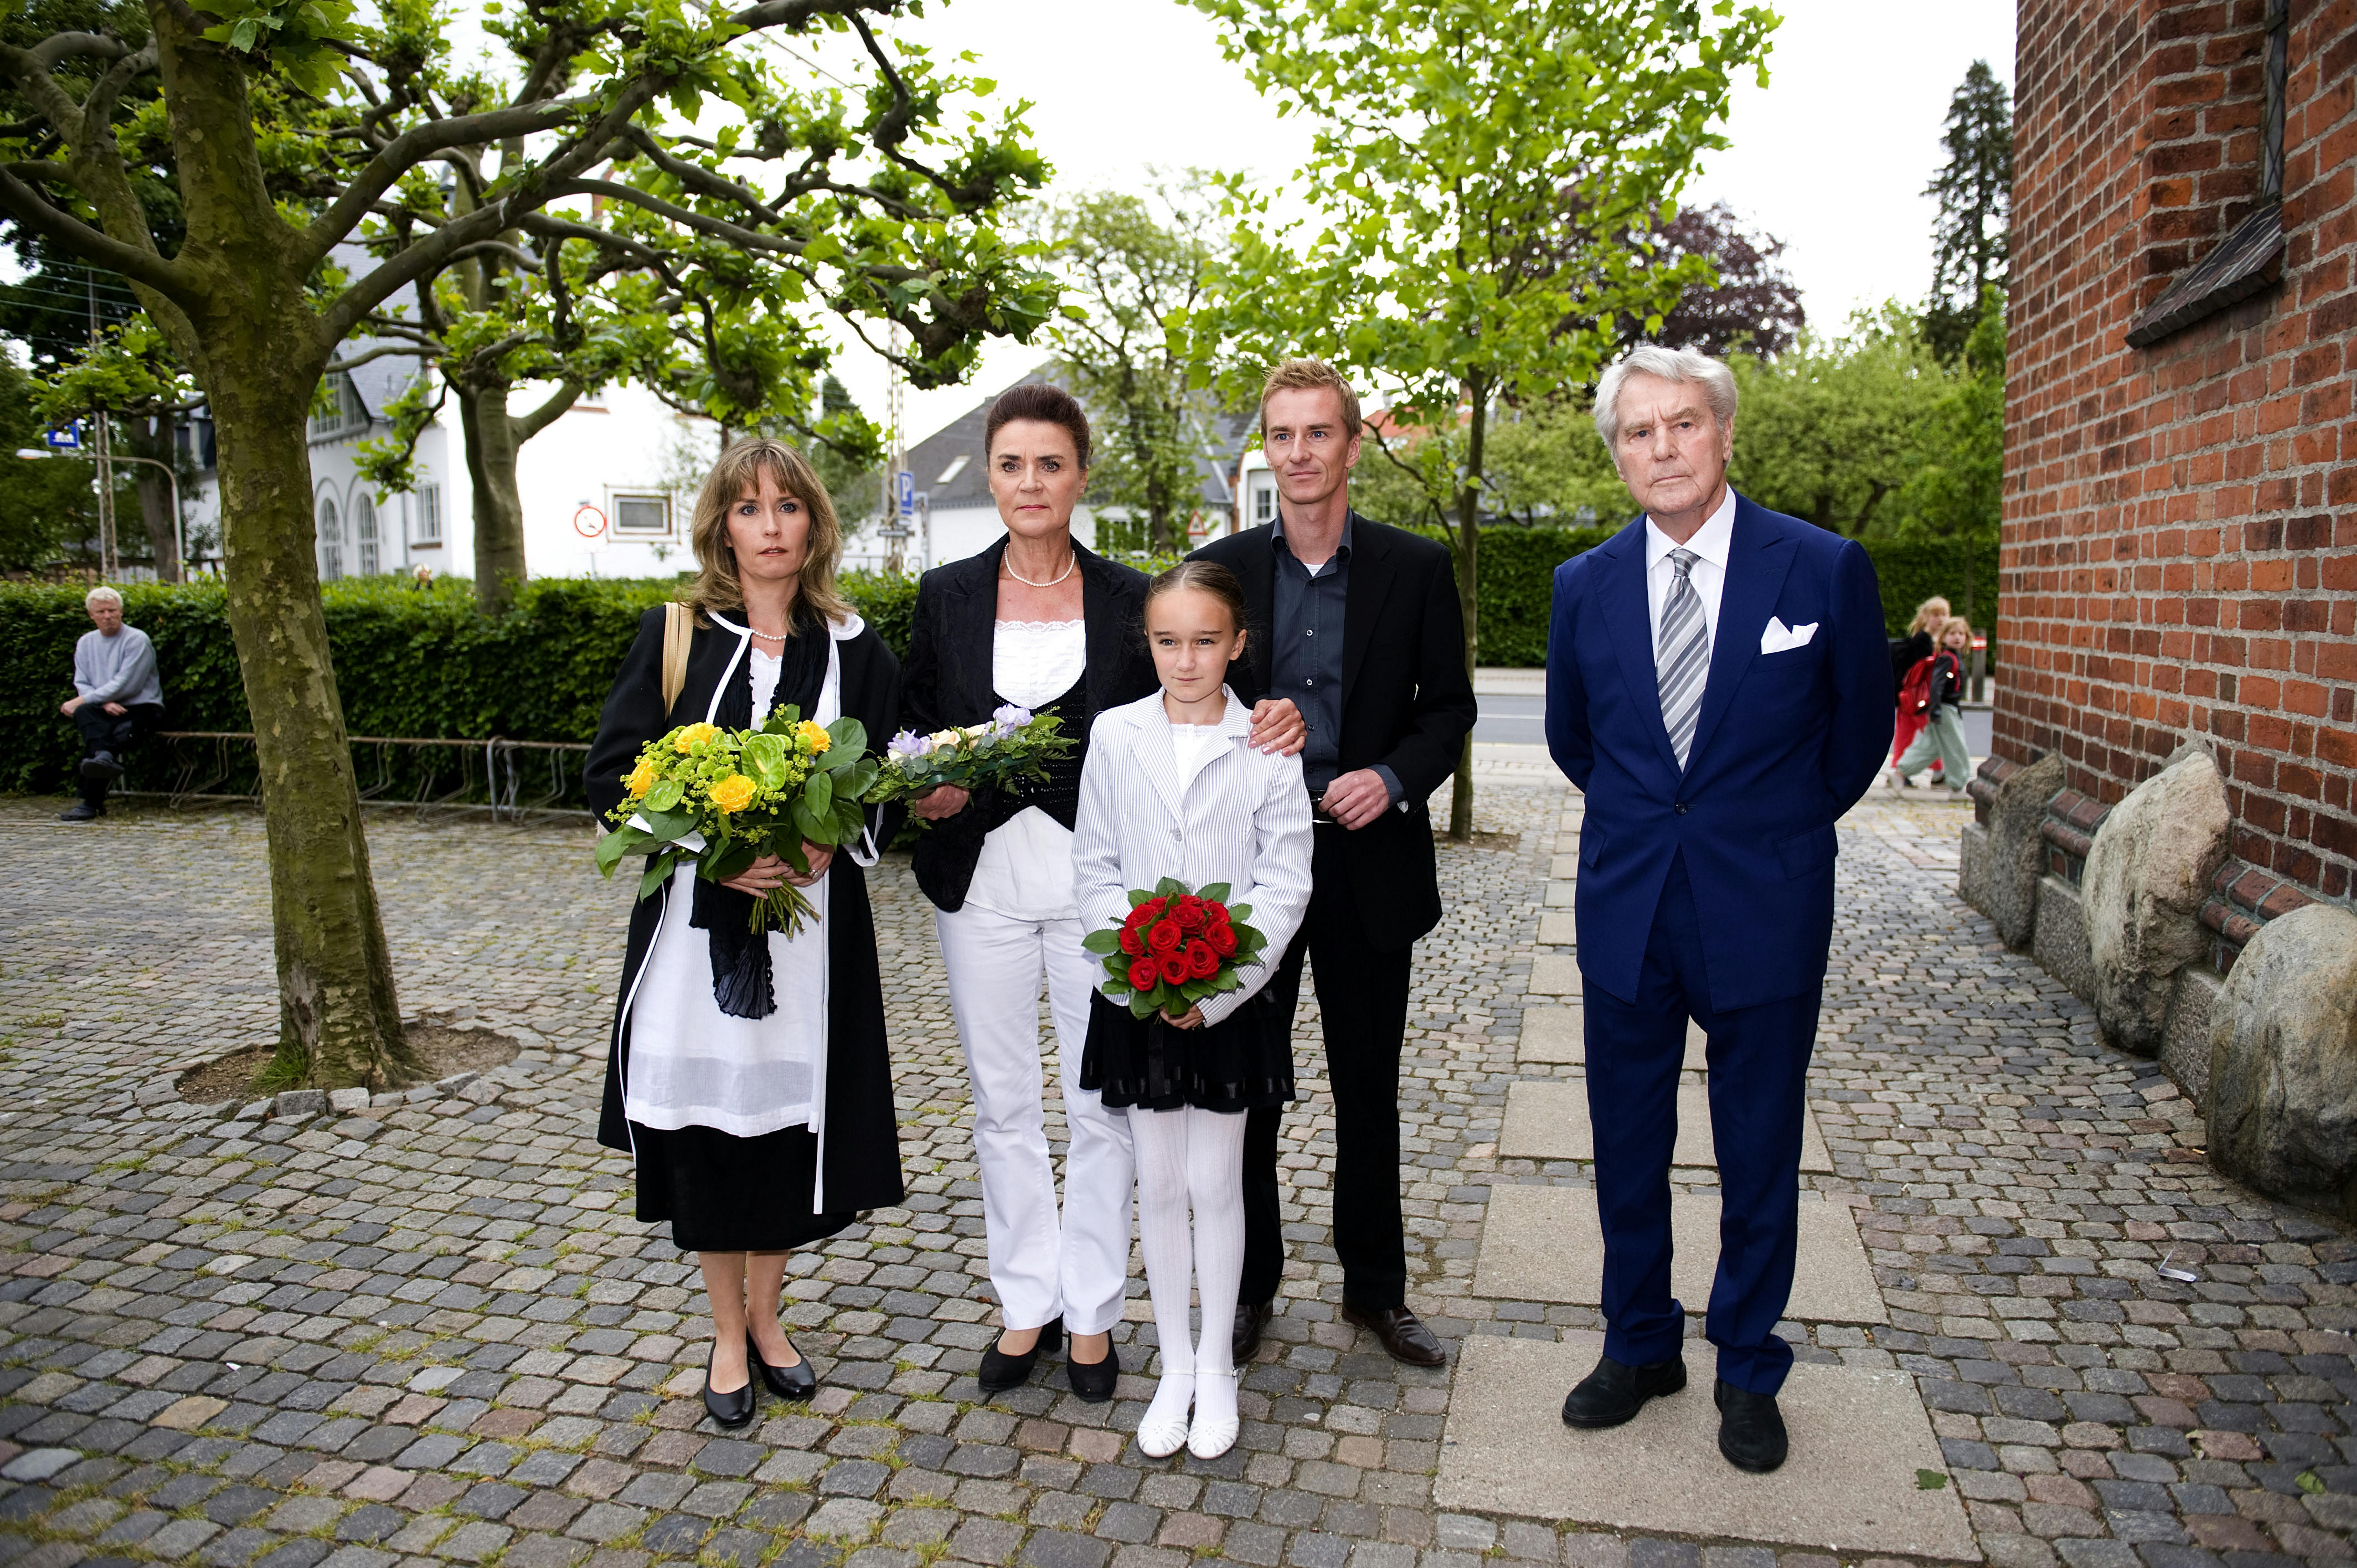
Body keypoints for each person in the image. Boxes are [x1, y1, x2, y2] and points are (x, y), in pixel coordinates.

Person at [899, 383, 1306, 1402]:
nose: (1030, 482)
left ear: (1080, 474)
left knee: (1101, 1106)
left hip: (1109, 900)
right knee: (1001, 1102)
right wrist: (923, 789)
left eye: (1050, 463)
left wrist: (1276, 720)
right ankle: (1024, 1299)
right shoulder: (945, 594)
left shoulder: (1131, 599)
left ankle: (1090, 1311)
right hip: (980, 884)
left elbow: (1196, 690)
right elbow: (913, 725)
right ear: (990, 476)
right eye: (1010, 464)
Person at [1543, 345, 1887, 1473]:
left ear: (1724, 433)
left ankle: (1747, 1363)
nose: (1662, 448)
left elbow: (1855, 736)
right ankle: (1639, 1343)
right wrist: (1657, 823)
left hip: (1763, 904)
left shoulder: (1820, 569)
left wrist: (1766, 830)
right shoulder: (1581, 584)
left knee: (1757, 1145)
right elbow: (1574, 742)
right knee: (1624, 1143)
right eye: (1637, 431)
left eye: (1682, 423)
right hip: (1628, 905)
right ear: (1616, 453)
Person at [586, 438, 905, 1430]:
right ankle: (727, 1334)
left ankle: (769, 1320)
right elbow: (612, 778)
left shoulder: (855, 646)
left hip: (811, 944)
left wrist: (833, 837)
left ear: (814, 523)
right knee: (708, 1130)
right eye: (749, 508)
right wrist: (708, 851)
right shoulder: (675, 632)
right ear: (721, 527)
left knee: (787, 1129)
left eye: (788, 507)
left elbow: (886, 781)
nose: (771, 526)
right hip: (695, 943)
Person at [1192, 359, 1479, 1369]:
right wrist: (1239, 729)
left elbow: (1449, 707)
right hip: (1252, 866)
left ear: (1353, 444)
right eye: (1282, 434)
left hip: (1368, 860)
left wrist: (1392, 778)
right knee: (1248, 1090)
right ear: (1265, 448)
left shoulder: (1414, 567)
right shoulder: (1221, 570)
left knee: (1368, 1088)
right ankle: (1248, 1286)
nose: (1300, 452)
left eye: (1319, 432)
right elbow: (1185, 698)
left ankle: (1376, 1291)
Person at [1071, 561, 1314, 1460]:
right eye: (1168, 640)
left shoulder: (1266, 743)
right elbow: (1093, 865)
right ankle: (1173, 1364)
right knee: (1160, 1182)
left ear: (1237, 644)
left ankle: (1217, 1366)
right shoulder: (1115, 735)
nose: (1185, 658)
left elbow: (1284, 878)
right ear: (1148, 642)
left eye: (1205, 640)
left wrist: (1216, 984)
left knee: (1216, 1183)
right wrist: (1140, 972)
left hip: (1229, 998)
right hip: (1136, 992)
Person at [58, 586, 164, 822]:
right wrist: (103, 702)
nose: (108, 616)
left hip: (141, 707)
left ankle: (91, 802)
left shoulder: (138, 640)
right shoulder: (86, 643)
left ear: (121, 611)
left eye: (112, 610)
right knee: (88, 718)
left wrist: (88, 700)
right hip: (104, 707)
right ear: (91, 615)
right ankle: (103, 758)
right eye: (101, 612)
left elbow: (128, 684)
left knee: (107, 735)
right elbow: (82, 682)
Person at [1891, 616, 1973, 797]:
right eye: (1952, 633)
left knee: (1930, 746)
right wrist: (1936, 709)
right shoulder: (1948, 659)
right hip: (1945, 710)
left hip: (1945, 709)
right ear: (1943, 637)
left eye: (1961, 634)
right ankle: (1957, 787)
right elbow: (1937, 685)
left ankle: (1901, 772)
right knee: (1955, 747)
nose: (1957, 637)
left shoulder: (1951, 657)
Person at [1887, 596, 1949, 781]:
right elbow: (1923, 671)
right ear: (1926, 617)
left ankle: (1897, 770)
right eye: (1936, 615)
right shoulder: (1923, 640)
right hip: (1919, 698)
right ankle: (1938, 772)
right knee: (1932, 735)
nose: (1941, 619)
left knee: (1906, 735)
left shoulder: (1932, 639)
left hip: (1908, 698)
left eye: (1944, 615)